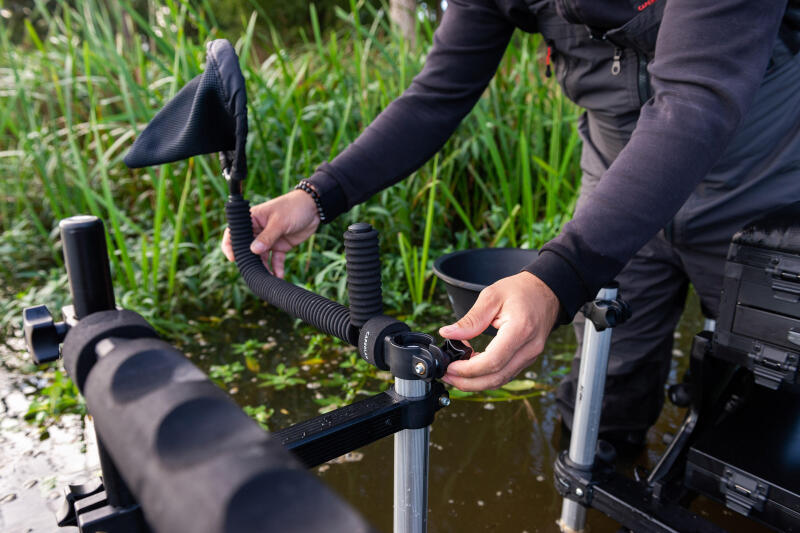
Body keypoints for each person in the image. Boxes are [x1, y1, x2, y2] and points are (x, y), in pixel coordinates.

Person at [222, 0, 800, 446]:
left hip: (760, 161)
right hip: (618, 166)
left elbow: (695, 100)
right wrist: (317, 195)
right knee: (605, 387)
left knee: (767, 399)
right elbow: (437, 95)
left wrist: (559, 276)